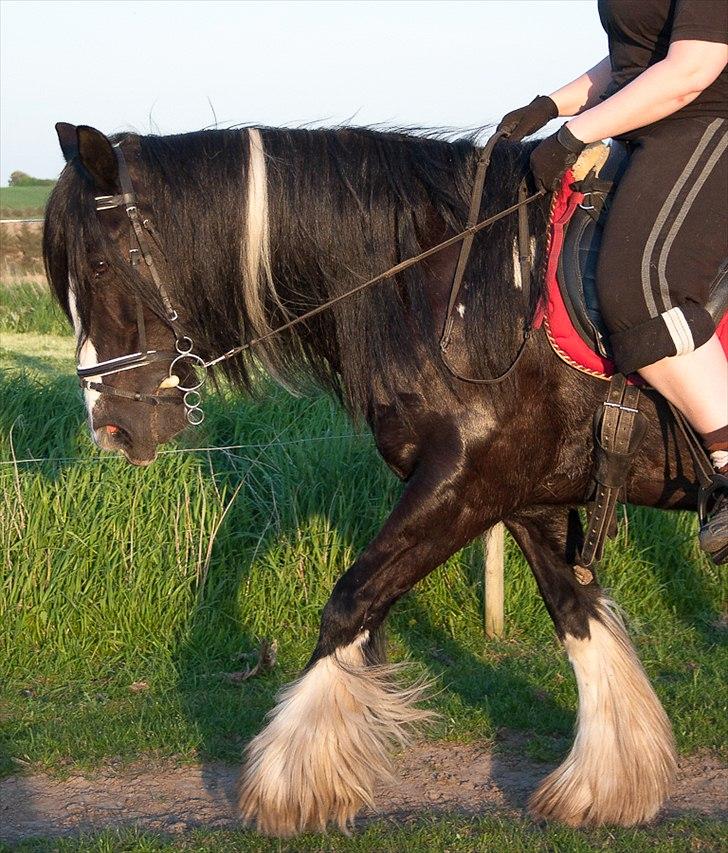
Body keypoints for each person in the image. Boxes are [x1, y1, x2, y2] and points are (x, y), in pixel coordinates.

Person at [497, 0, 728, 563]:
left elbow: (692, 67)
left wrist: (572, 137)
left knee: (641, 289)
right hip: (652, 132)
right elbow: (636, 55)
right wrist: (550, 105)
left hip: (710, 121)